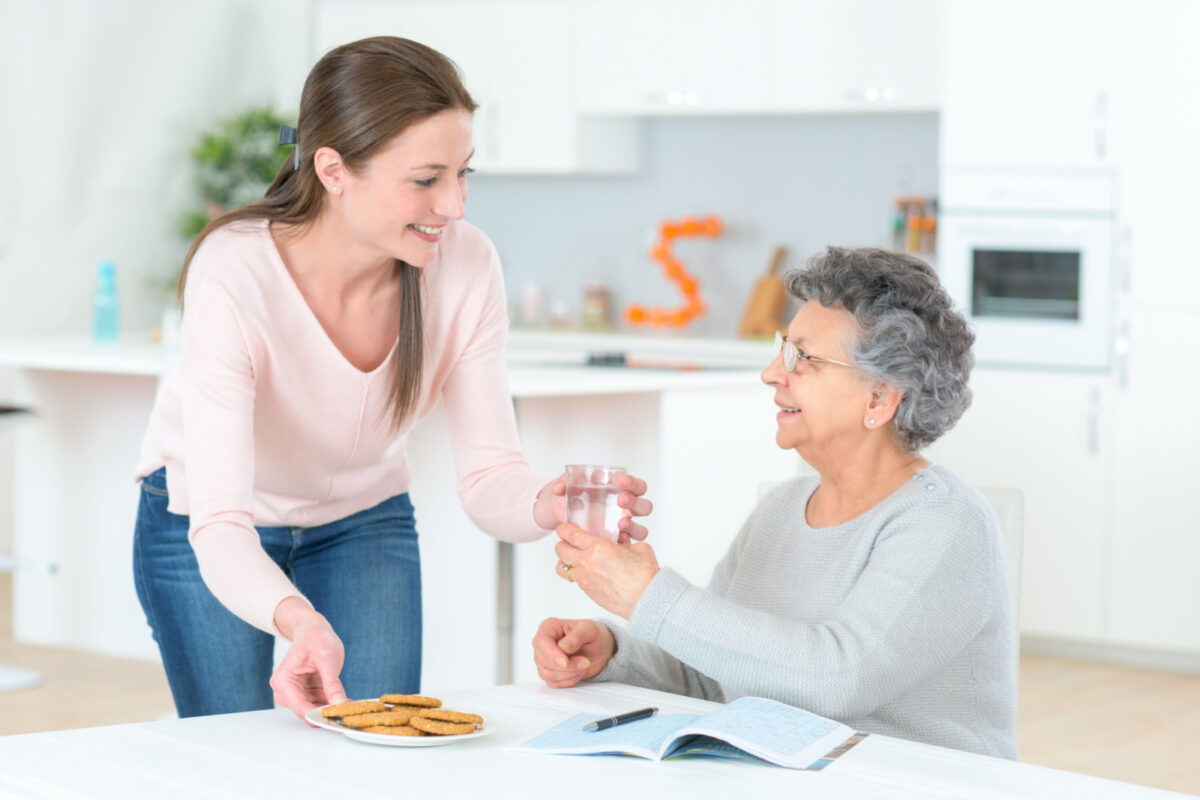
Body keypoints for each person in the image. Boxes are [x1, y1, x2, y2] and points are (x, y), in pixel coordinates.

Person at [132, 36, 651, 722]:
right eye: (427, 179)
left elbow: (490, 477)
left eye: (465, 174)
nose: (457, 205)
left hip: (361, 521)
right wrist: (300, 622)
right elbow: (223, 522)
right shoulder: (236, 272)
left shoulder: (465, 266)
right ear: (333, 170)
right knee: (238, 748)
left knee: (382, 747)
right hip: (207, 522)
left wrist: (548, 501)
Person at [534, 246, 1016, 759]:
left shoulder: (945, 523)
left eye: (802, 358)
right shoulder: (781, 509)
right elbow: (718, 669)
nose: (770, 373)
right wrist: (611, 651)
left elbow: (841, 676)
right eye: (782, 349)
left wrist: (648, 596)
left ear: (880, 398)